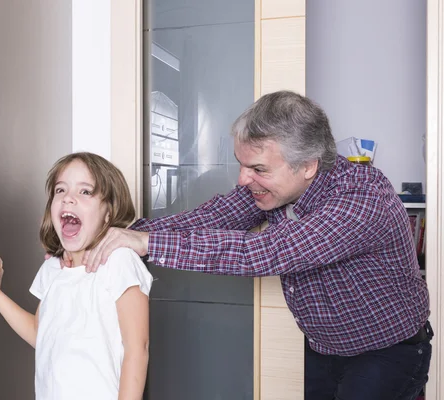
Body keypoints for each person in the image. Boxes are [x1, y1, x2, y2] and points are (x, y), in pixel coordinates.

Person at [78, 91, 432, 400]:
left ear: (307, 165)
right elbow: (212, 217)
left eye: (258, 168)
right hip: (324, 348)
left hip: (388, 352)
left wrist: (147, 243)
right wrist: (117, 237)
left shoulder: (361, 198)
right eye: (242, 165)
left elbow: (263, 252)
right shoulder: (275, 186)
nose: (243, 179)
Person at [0, 152, 153, 400]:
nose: (68, 198)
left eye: (85, 192)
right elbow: (40, 333)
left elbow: (137, 349)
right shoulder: (52, 268)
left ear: (108, 213)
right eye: (60, 190)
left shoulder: (120, 261)